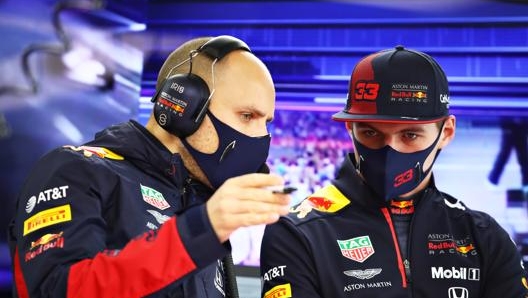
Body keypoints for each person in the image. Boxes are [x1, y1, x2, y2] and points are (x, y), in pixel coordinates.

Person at [8, 35, 292, 298]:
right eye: (246, 115)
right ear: (183, 105)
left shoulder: (199, 206)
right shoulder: (76, 170)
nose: (260, 137)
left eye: (265, 123)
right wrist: (199, 231)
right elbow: (58, 289)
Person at [260, 45, 528, 297]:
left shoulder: (484, 236)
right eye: (371, 133)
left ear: (446, 132)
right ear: (350, 130)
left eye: (410, 135)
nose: (390, 150)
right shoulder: (298, 232)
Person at [488, 116, 528, 196]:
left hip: (521, 121)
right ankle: (492, 180)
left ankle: (526, 183)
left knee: (522, 154)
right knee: (505, 152)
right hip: (509, 121)